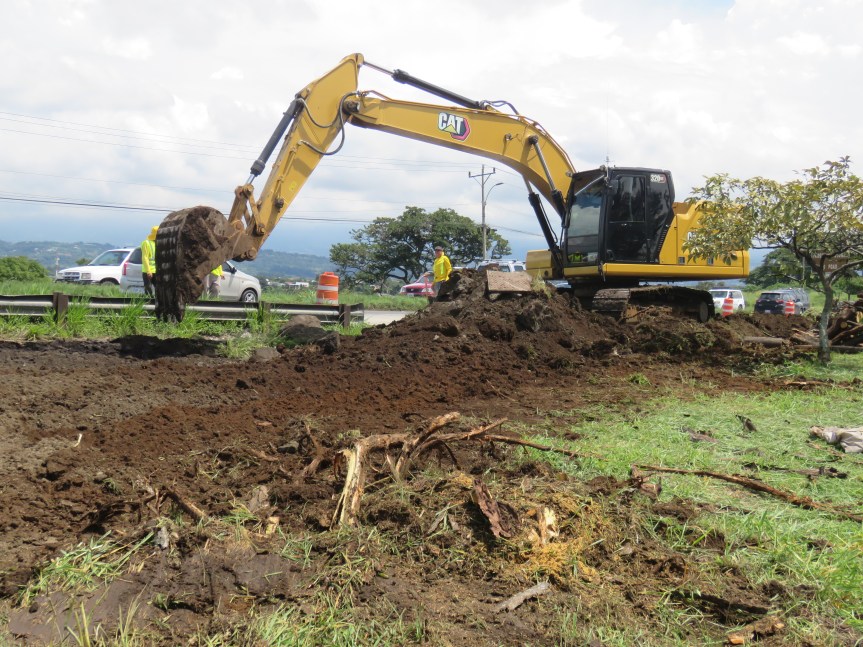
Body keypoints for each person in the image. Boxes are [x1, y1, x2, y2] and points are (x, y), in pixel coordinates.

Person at [141, 226, 158, 299]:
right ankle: (149, 301)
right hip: (148, 271)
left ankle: (155, 301)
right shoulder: (146, 243)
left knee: (158, 288)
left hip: (156, 270)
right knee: (148, 288)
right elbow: (145, 257)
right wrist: (148, 271)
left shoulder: (157, 243)